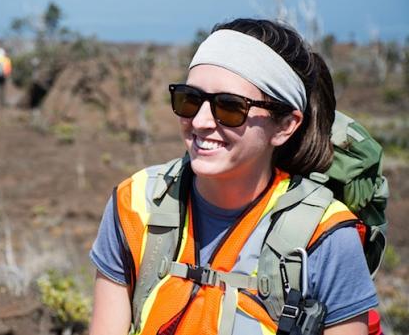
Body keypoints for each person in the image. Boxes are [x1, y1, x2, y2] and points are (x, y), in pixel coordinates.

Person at [89, 18, 378, 335]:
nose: (200, 121)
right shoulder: (135, 204)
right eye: (190, 99)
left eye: (229, 107)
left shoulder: (325, 235)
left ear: (284, 126)